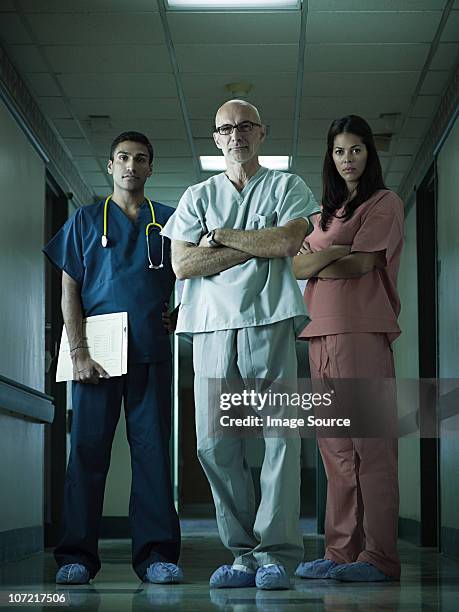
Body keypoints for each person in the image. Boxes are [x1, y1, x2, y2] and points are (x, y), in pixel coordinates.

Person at [161, 99, 320, 590]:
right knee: (213, 442)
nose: (237, 135)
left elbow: (286, 244)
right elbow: (183, 266)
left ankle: (274, 553)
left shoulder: (286, 185)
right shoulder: (196, 194)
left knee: (278, 439)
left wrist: (223, 238)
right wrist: (255, 243)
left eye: (246, 125)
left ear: (262, 132)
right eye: (226, 128)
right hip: (209, 325)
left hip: (269, 318)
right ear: (215, 137)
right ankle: (242, 553)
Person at [43, 131, 182, 585]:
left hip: (150, 353)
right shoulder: (85, 220)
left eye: (141, 159)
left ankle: (157, 555)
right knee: (86, 452)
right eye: (123, 157)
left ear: (150, 168)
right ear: (110, 165)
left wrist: (181, 313)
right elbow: (69, 289)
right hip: (96, 356)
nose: (131, 166)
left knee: (152, 456)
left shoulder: (167, 222)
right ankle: (77, 556)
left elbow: (195, 274)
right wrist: (77, 349)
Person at [293, 115, 404, 582]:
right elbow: (298, 270)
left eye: (356, 149)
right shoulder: (323, 214)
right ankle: (341, 555)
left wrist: (326, 255)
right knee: (335, 451)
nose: (347, 159)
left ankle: (378, 557)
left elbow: (360, 264)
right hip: (319, 334)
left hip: (361, 332)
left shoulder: (384, 202)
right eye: (339, 151)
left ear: (369, 154)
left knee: (370, 448)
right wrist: (335, 252)